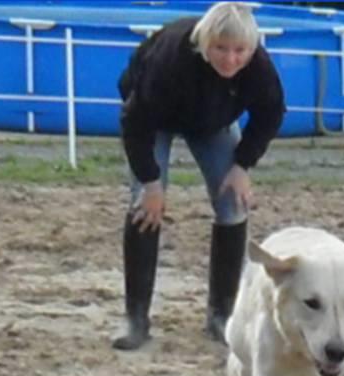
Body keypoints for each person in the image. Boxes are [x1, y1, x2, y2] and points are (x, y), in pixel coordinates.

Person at [113, 1, 286, 350]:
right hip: (153, 118)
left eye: (240, 50)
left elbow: (271, 113)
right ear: (204, 42)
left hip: (212, 121)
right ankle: (135, 319)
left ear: (252, 49)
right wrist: (151, 182)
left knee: (233, 204)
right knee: (145, 206)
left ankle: (222, 314)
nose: (230, 58)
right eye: (220, 48)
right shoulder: (170, 61)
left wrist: (242, 166)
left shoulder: (258, 68)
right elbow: (135, 121)